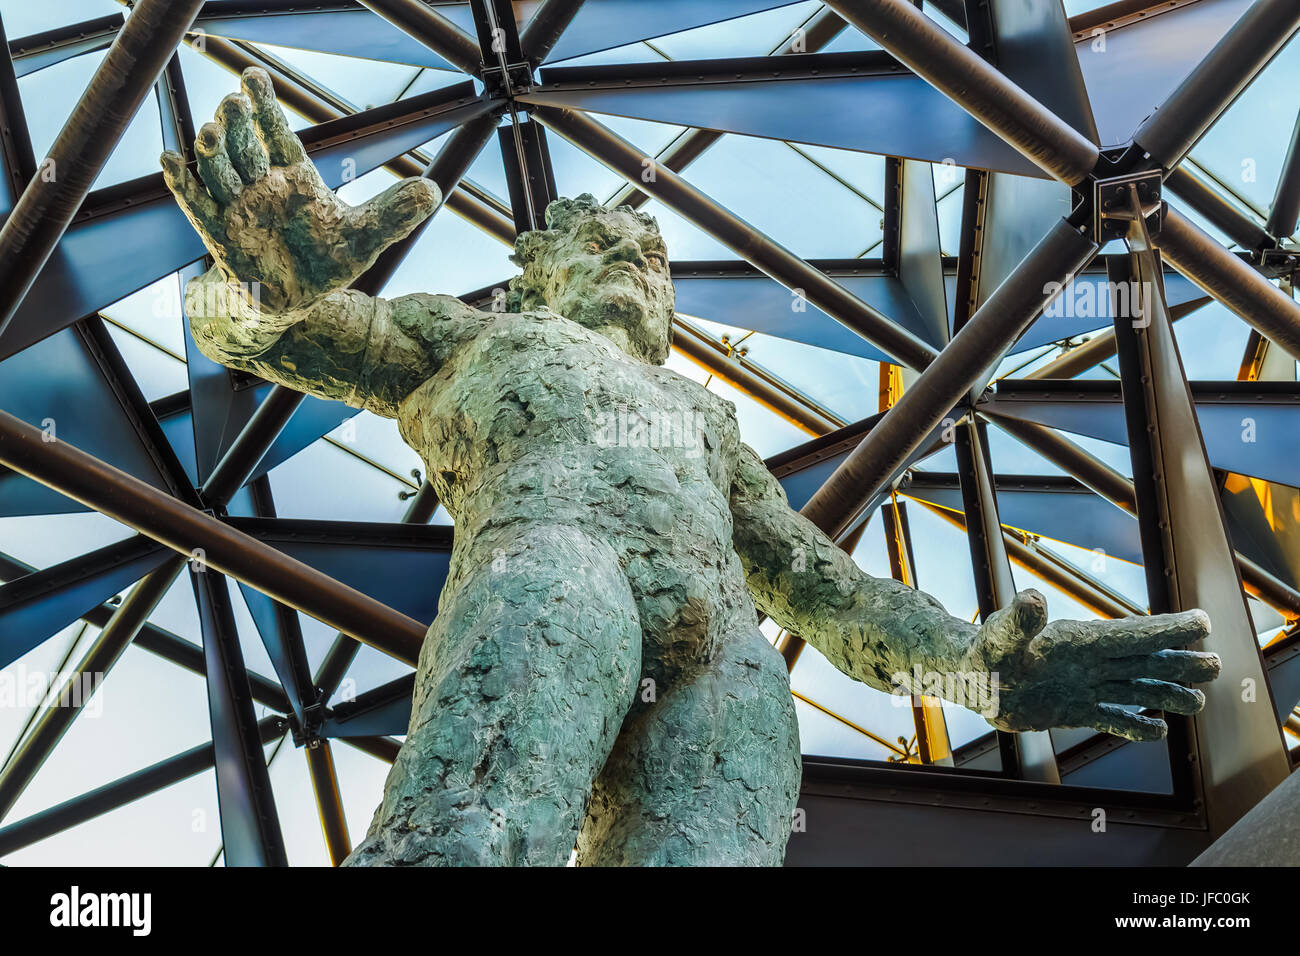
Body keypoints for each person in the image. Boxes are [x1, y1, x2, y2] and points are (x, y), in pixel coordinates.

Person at [162, 68, 1220, 866]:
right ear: (541, 277)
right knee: (473, 827)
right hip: (553, 563)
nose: (636, 267)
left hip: (726, 657)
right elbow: (273, 335)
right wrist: (255, 289)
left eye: (652, 262)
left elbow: (829, 590)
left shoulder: (704, 424)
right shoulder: (477, 335)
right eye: (606, 248)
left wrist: (978, 669)